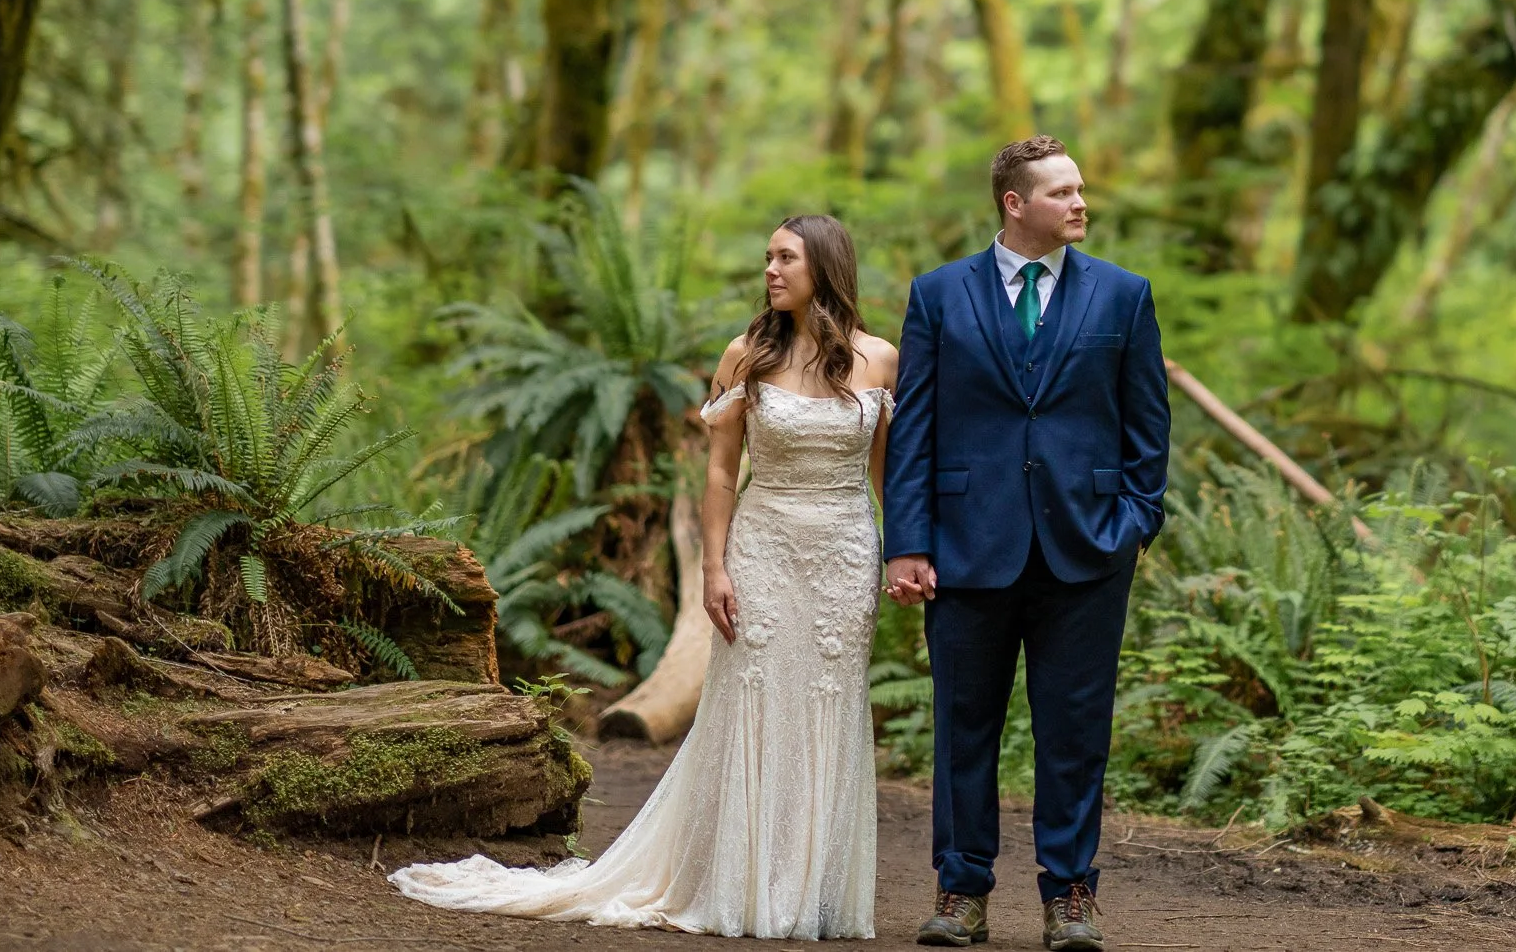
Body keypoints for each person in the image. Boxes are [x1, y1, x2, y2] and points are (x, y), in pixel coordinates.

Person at [391, 214, 896, 938]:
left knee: (829, 703)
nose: (770, 269)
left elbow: (887, 476)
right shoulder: (746, 354)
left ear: (825, 265)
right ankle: (740, 885)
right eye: (767, 257)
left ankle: (808, 889)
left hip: (845, 553)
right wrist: (713, 567)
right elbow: (720, 472)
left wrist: (908, 552)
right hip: (763, 547)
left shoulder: (879, 360)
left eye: (786, 257)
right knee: (752, 702)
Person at [882, 136, 1172, 952]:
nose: (1081, 203)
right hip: (967, 546)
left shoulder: (1124, 294)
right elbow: (914, 430)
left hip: (1088, 549)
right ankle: (961, 889)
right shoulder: (939, 294)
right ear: (1015, 203)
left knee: (1076, 732)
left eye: (1081, 189)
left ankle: (1071, 895)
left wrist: (1136, 521)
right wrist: (907, 541)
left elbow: (1149, 422)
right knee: (963, 727)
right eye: (1062, 192)